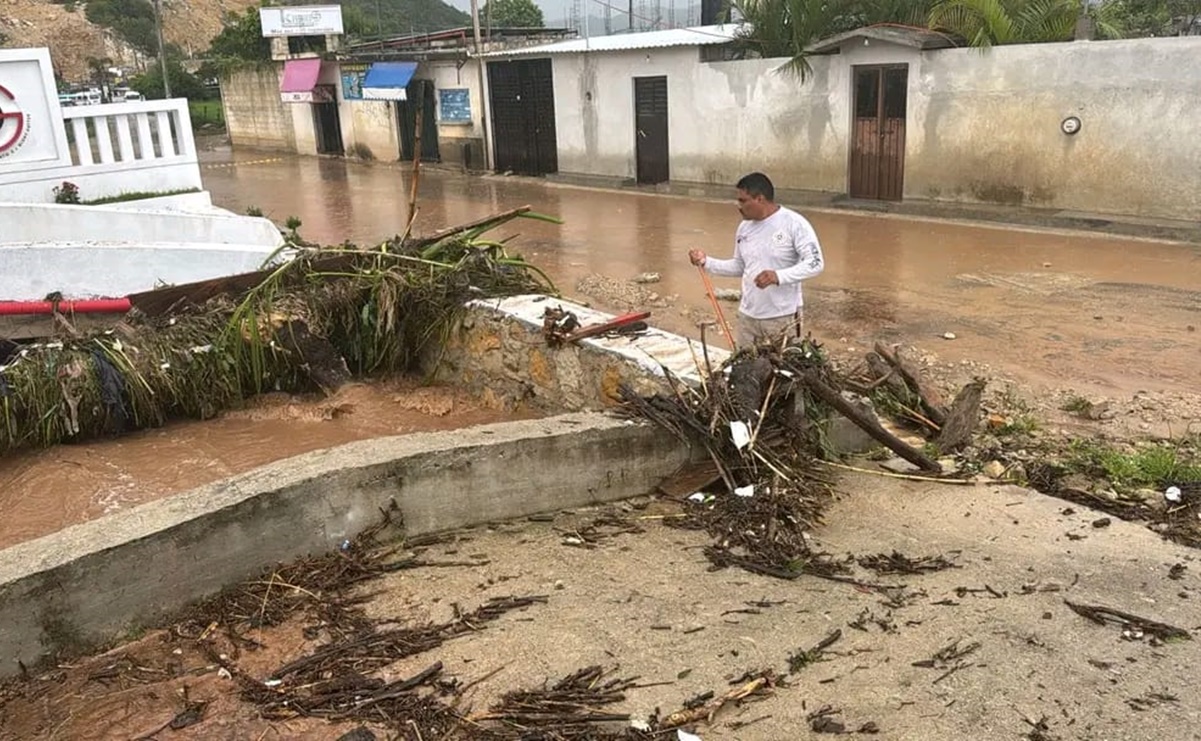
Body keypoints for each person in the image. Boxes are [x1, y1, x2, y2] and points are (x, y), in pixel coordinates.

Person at [688, 172, 825, 349]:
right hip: (748, 316)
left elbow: (815, 263)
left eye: (743, 201)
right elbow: (740, 266)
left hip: (781, 316)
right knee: (745, 368)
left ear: (760, 199)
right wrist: (706, 262)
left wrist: (778, 276)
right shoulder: (744, 228)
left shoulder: (794, 224)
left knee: (783, 370)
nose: (738, 206)